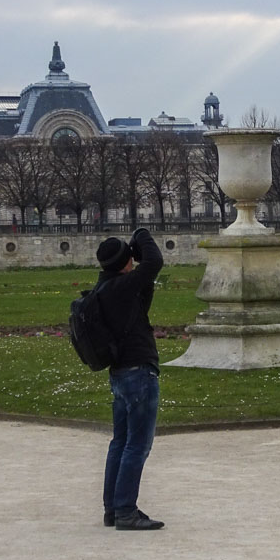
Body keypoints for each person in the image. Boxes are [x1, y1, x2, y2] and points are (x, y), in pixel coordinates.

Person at [96, 227, 165, 531]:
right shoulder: (122, 288)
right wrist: (141, 234)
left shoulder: (104, 288)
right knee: (137, 446)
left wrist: (132, 252)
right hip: (138, 372)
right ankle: (125, 510)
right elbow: (155, 262)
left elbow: (146, 284)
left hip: (120, 373)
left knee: (121, 442)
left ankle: (113, 508)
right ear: (125, 263)